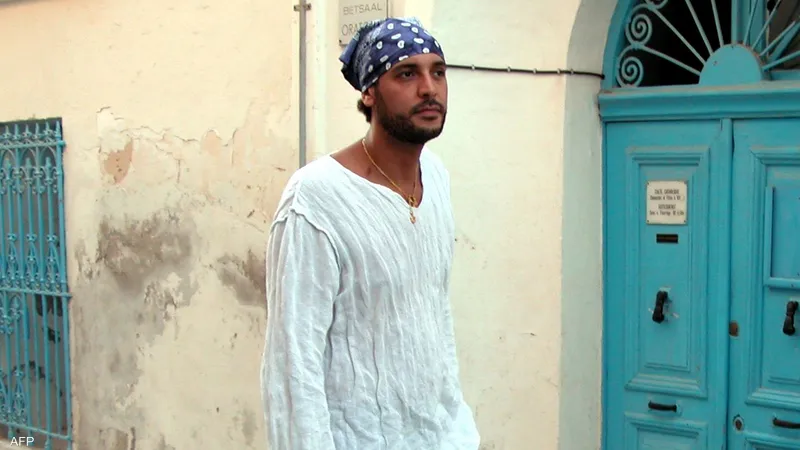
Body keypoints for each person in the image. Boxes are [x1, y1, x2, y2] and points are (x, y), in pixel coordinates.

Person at [260, 16, 480, 450]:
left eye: (438, 72)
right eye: (407, 74)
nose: (429, 89)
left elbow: (434, 315)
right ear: (369, 92)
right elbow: (294, 360)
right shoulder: (317, 197)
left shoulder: (435, 177)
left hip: (439, 437)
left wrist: (456, 426)